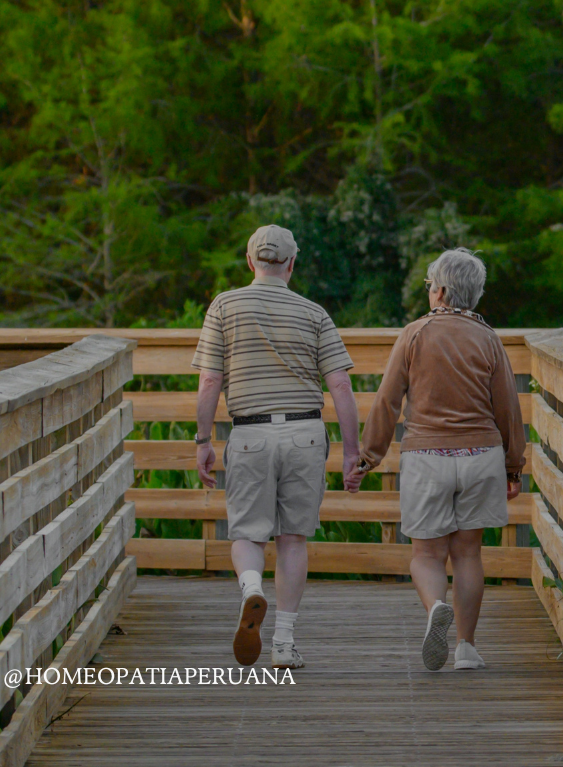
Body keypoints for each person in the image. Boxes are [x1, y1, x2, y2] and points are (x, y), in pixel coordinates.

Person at [191, 224, 362, 669]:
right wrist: (351, 451)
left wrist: (203, 439)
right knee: (292, 539)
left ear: (250, 262)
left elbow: (210, 379)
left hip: (249, 433)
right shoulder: (314, 313)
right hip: (305, 434)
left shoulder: (224, 307)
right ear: (291, 264)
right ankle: (284, 643)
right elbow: (341, 384)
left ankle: (251, 588)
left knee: (248, 532)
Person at [347, 248, 526, 671]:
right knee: (468, 554)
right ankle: (466, 648)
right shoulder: (488, 338)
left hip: (427, 456)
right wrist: (512, 466)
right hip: (481, 456)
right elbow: (507, 408)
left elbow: (388, 401)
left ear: (441, 291)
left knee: (427, 555)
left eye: (430, 286)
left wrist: (366, 458)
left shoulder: (413, 334)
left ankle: (434, 610)